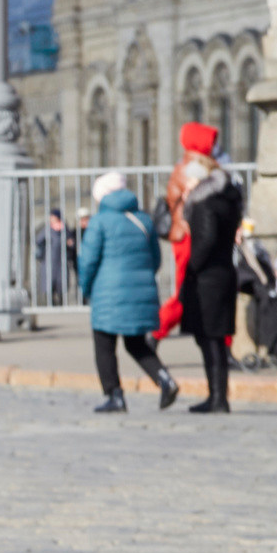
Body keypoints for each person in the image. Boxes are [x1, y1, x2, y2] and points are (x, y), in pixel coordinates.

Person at [75, 171, 179, 415]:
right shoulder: (143, 220)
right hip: (140, 290)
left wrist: (86, 287)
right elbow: (155, 259)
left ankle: (115, 395)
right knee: (136, 344)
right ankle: (165, 379)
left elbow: (87, 261)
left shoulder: (100, 222)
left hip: (107, 292)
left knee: (104, 346)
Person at [171, 122, 244, 413]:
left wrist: (194, 264)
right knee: (215, 338)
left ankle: (217, 397)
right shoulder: (229, 197)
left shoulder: (206, 202)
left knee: (209, 339)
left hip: (208, 278)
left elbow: (207, 237)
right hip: (224, 270)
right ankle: (217, 396)